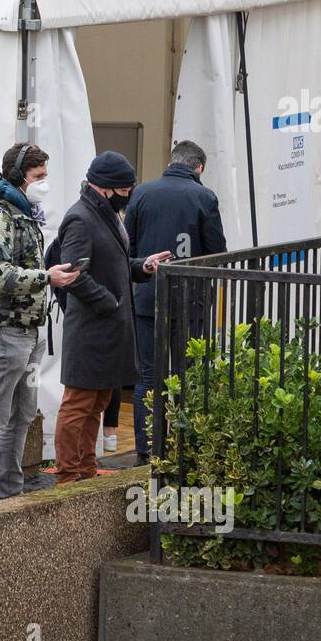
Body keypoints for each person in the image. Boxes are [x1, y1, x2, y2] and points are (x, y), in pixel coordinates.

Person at [0, 145, 78, 505]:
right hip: (1, 328)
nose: (44, 183)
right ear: (19, 175)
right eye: (39, 176)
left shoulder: (22, 213)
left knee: (22, 414)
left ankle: (9, 489)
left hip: (27, 329)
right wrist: (46, 277)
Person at [52, 152, 169, 484]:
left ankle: (86, 471)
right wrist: (110, 302)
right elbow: (73, 273)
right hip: (91, 329)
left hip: (108, 327)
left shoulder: (104, 214)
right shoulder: (80, 217)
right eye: (126, 188)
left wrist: (142, 266)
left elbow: (114, 263)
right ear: (106, 189)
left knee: (99, 400)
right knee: (79, 403)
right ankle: (67, 475)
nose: (129, 194)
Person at [124, 140, 226, 462]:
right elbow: (217, 254)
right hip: (191, 301)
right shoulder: (204, 197)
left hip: (147, 298)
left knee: (148, 376)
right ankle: (185, 444)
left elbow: (129, 249)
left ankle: (147, 447)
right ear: (199, 168)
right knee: (189, 373)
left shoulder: (140, 193)